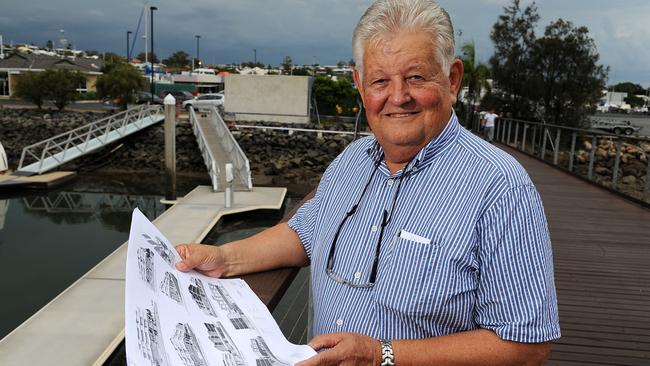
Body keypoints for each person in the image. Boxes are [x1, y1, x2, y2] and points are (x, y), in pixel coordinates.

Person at [175, 0, 561, 364]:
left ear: (452, 79)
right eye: (380, 81)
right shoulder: (350, 161)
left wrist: (382, 355)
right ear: (360, 85)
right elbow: (303, 234)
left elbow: (527, 345)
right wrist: (224, 258)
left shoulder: (502, 188)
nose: (397, 97)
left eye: (415, 77)